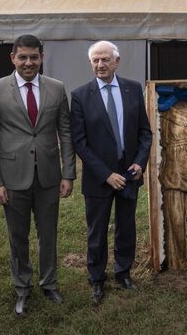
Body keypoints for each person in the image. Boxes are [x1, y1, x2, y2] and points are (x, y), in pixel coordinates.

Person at [0, 34, 75, 316]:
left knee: (49, 234)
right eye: (22, 57)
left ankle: (49, 283)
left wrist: (68, 173)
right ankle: (22, 287)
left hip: (48, 176)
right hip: (12, 178)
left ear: (42, 57)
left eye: (34, 57)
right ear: (13, 58)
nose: (28, 62)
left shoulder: (57, 89)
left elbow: (66, 133)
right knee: (17, 237)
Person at [70, 40, 152, 306]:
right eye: (95, 60)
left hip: (129, 173)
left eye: (105, 59)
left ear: (117, 61)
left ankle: (123, 272)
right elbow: (79, 142)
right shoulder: (81, 95)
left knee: (126, 227)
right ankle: (96, 278)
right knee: (97, 231)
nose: (100, 65)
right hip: (99, 177)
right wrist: (106, 174)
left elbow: (144, 133)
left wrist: (140, 163)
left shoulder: (132, 89)